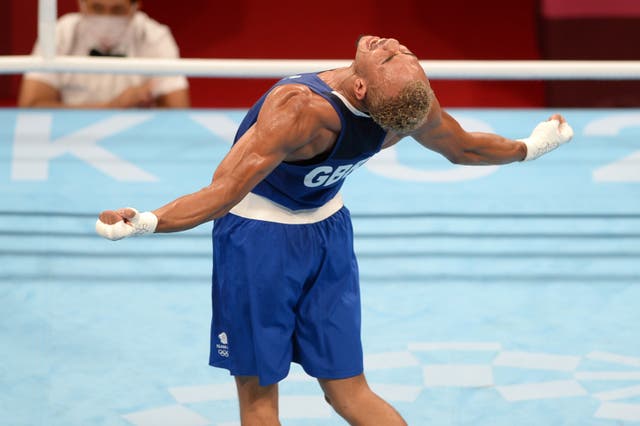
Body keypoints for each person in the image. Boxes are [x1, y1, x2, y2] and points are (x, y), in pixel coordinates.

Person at [95, 35, 573, 425]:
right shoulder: (409, 110)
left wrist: (147, 221)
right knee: (349, 392)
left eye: (390, 55)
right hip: (328, 235)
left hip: (257, 241)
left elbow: (224, 192)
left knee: (260, 400)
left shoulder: (299, 110)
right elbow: (464, 149)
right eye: (400, 52)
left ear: (363, 90)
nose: (393, 43)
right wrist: (529, 147)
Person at [18, 0, 190, 108]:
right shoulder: (61, 32)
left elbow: (178, 111)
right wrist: (112, 106)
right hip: (69, 134)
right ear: (81, 4)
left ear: (135, 6)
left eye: (117, 10)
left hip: (136, 139)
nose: (107, 17)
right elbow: (31, 106)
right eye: (98, 8)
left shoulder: (155, 36)